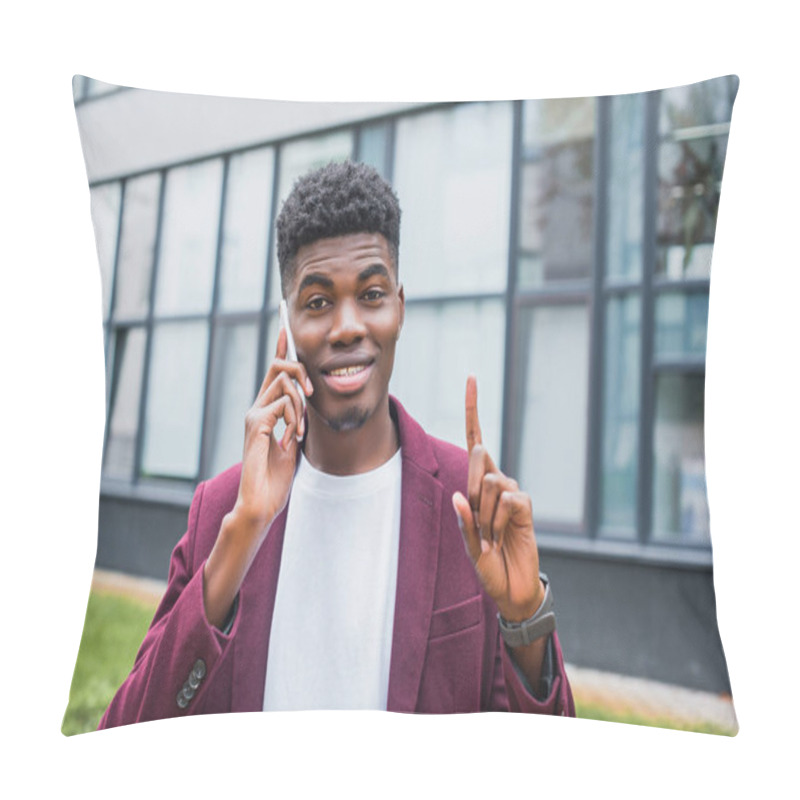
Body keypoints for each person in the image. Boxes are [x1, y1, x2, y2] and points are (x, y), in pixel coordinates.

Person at [99, 161, 574, 726]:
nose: (347, 325)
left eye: (371, 294)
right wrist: (243, 532)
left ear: (399, 307)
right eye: (318, 302)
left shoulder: (469, 508)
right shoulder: (224, 511)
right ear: (287, 321)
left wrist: (526, 624)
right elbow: (125, 736)